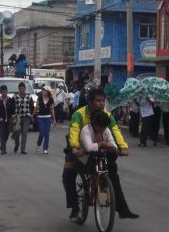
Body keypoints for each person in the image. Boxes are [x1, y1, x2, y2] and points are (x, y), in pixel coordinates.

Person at [63, 89, 139, 221]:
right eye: (98, 101)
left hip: (100, 148)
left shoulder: (107, 116)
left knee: (113, 173)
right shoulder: (79, 115)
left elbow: (115, 131)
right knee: (68, 175)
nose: (101, 103)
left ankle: (122, 209)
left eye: (103, 101)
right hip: (80, 147)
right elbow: (74, 131)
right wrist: (75, 147)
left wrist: (122, 147)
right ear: (90, 102)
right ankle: (75, 207)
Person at [32, 85, 56, 154]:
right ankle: (38, 145)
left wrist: (54, 119)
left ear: (47, 91)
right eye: (42, 90)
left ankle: (45, 149)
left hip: (48, 118)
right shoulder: (39, 97)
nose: (43, 91)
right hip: (40, 118)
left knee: (47, 133)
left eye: (44, 90)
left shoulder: (51, 99)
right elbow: (36, 107)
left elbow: (52, 109)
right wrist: (32, 116)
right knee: (42, 133)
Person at [13, 82, 34, 154]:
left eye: (23, 88)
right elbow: (12, 107)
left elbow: (31, 107)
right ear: (18, 89)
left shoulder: (29, 97)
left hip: (26, 117)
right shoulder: (15, 97)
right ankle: (16, 144)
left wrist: (31, 115)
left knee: (24, 133)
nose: (21, 90)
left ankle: (22, 149)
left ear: (25, 89)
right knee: (17, 133)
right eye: (20, 88)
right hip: (18, 117)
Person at [0, 85, 15, 154]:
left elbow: (13, 110)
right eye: (2, 92)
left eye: (5, 92)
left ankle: (2, 145)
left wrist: (12, 117)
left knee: (7, 133)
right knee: (2, 134)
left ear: (7, 91)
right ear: (0, 92)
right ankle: (4, 149)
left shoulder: (11, 100)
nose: (4, 93)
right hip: (1, 120)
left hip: (9, 120)